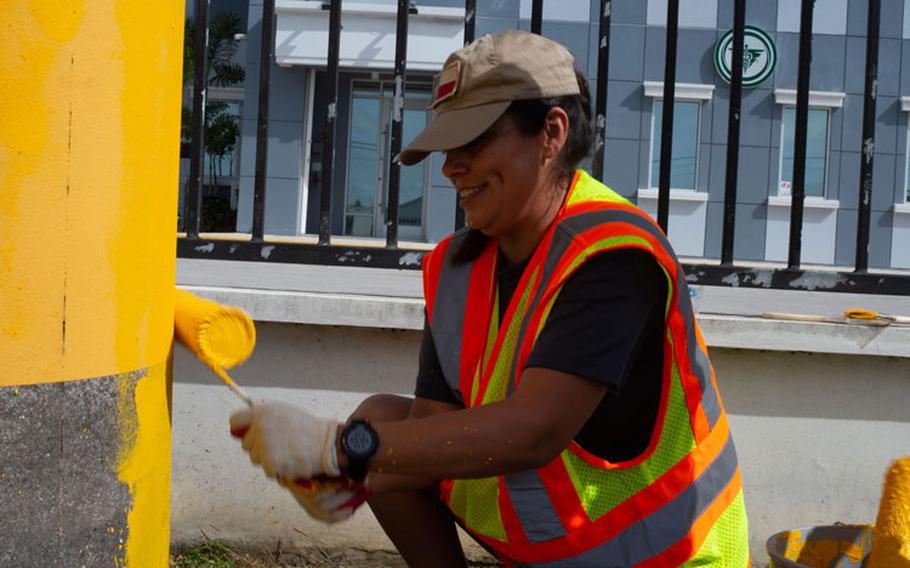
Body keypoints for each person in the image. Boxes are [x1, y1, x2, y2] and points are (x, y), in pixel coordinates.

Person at [230, 31, 750, 567]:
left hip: (664, 557)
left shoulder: (613, 252)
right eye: (448, 147)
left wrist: (342, 447)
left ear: (552, 131)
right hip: (555, 546)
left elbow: (534, 432)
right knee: (385, 418)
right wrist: (346, 474)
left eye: (473, 141)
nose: (452, 165)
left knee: (376, 434)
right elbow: (430, 430)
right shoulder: (456, 269)